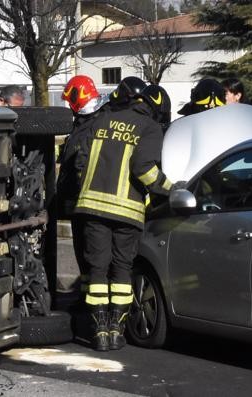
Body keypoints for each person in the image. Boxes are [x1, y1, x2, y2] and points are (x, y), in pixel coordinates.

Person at [74, 76, 172, 352]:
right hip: (126, 212)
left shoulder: (102, 119)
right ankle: (117, 331)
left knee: (97, 269)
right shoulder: (150, 127)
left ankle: (99, 333)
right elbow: (144, 169)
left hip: (92, 207)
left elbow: (80, 160)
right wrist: (170, 187)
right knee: (121, 269)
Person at [56, 75, 108, 304]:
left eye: (71, 101)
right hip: (75, 202)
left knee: (91, 255)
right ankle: (85, 295)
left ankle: (93, 301)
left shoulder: (96, 122)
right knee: (82, 253)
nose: (70, 107)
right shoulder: (81, 123)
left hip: (88, 202)